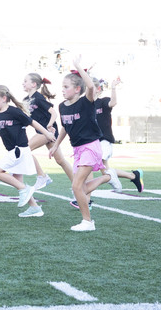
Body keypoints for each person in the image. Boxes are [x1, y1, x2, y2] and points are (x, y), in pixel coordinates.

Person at [48, 57, 115, 232]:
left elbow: (91, 87)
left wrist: (78, 66)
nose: (62, 90)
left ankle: (88, 222)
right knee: (82, 188)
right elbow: (65, 127)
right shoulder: (62, 106)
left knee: (76, 186)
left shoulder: (86, 102)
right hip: (77, 149)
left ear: (77, 89)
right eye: (62, 86)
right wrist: (56, 145)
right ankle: (108, 177)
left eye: (66, 87)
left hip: (91, 146)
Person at [0, 85, 55, 218]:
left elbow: (33, 122)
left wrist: (47, 134)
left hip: (19, 150)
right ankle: (35, 208)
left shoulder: (14, 111)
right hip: (13, 151)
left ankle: (25, 190)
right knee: (17, 181)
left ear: (4, 98)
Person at [92, 77, 143, 193]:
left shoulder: (102, 101)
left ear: (98, 89)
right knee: (105, 171)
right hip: (94, 141)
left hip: (104, 140)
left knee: (93, 163)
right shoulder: (86, 105)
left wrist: (113, 87)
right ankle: (134, 176)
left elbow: (113, 102)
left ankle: (84, 194)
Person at [21, 73, 72, 189]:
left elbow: (54, 113)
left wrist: (49, 126)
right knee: (60, 160)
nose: (22, 83)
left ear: (34, 84)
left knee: (24, 150)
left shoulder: (39, 98)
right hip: (44, 133)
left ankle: (42, 176)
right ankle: (78, 186)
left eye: (25, 81)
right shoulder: (26, 99)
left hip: (47, 132)